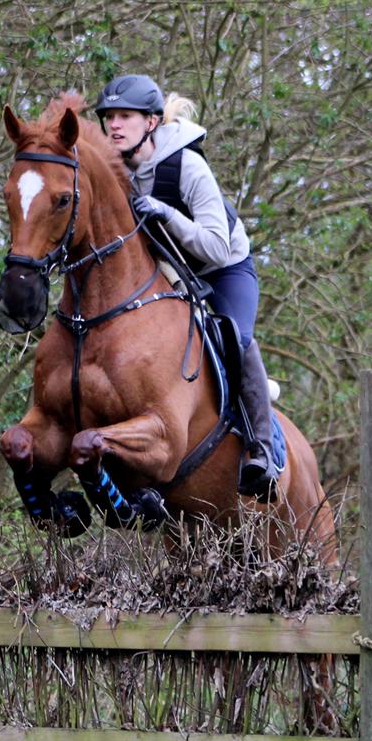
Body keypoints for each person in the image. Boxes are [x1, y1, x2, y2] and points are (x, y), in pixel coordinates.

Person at [95, 73, 278, 502]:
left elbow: (214, 247)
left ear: (152, 123)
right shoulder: (114, 172)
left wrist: (164, 213)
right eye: (109, 118)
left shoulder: (187, 166)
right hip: (173, 270)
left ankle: (261, 450)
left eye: (125, 117)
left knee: (233, 333)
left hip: (224, 267)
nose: (115, 126)